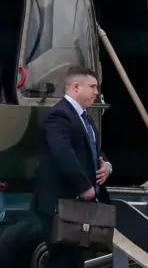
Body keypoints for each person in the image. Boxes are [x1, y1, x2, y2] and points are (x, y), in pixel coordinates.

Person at [32, 65, 113, 268]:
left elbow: (92, 149)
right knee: (63, 260)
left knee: (74, 261)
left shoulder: (85, 118)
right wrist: (83, 186)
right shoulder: (58, 116)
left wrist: (107, 166)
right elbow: (61, 152)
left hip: (77, 207)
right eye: (93, 87)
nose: (96, 92)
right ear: (76, 87)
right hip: (59, 205)